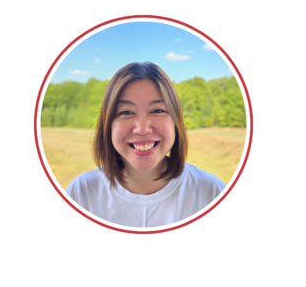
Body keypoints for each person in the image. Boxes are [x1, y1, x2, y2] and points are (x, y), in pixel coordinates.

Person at [64, 62, 227, 229]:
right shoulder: (81, 193)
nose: (142, 129)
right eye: (126, 112)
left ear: (176, 121)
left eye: (157, 110)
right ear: (108, 125)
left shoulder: (212, 192)